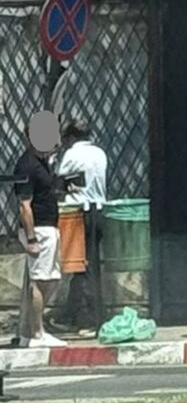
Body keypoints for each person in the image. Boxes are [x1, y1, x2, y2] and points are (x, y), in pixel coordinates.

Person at [14, 111, 66, 347]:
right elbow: (25, 205)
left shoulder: (42, 163)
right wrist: (32, 237)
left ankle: (27, 330)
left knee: (46, 278)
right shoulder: (27, 165)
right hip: (40, 229)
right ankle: (37, 332)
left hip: (48, 226)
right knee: (43, 279)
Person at [53, 117, 107, 336]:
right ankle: (73, 315)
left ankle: (89, 319)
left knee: (81, 265)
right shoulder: (99, 153)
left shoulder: (72, 154)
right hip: (98, 209)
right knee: (88, 264)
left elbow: (59, 182)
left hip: (78, 213)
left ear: (71, 137)